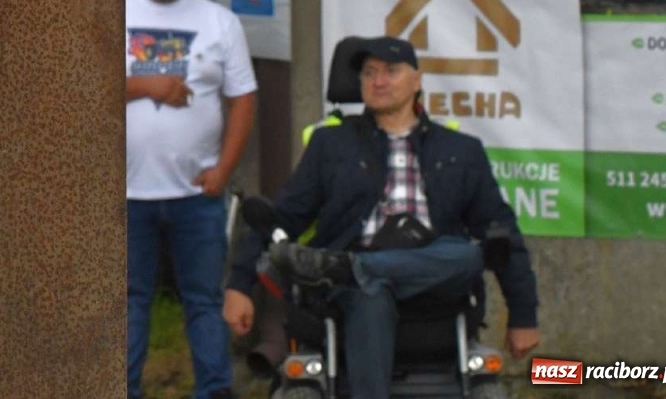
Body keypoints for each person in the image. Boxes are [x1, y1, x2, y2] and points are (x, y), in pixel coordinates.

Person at [222, 37, 542, 399]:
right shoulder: (331, 145)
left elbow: (503, 232)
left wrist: (523, 316)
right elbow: (283, 216)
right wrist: (239, 284)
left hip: (434, 278)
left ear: (417, 81)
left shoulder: (461, 151)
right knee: (370, 290)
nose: (378, 80)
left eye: (391, 71)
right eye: (369, 73)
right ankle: (359, 269)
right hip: (356, 291)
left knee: (469, 255)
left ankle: (351, 267)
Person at [126, 0, 258, 399]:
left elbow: (243, 97)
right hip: (125, 192)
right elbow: (82, 91)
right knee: (129, 302)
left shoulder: (218, 20)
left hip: (195, 192)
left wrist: (224, 170)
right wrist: (147, 84)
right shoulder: (115, 12)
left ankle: (215, 391)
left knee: (204, 300)